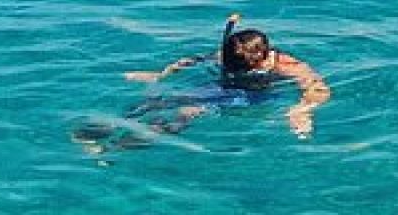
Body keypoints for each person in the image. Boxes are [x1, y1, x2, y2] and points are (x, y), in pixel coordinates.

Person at [74, 14, 330, 154]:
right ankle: (101, 130)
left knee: (185, 114)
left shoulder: (286, 65)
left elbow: (317, 88)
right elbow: (192, 60)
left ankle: (116, 148)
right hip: (219, 87)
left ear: (262, 57)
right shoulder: (227, 54)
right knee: (161, 101)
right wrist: (160, 74)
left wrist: (302, 110)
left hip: (254, 95)